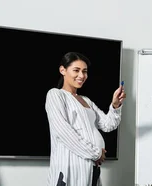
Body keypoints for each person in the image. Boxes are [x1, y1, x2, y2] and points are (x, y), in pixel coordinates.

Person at [45, 52, 126, 186]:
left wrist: (115, 105)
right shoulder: (56, 95)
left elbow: (108, 125)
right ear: (62, 70)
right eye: (76, 70)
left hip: (92, 168)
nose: (81, 76)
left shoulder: (86, 100)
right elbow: (63, 132)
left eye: (85, 71)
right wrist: (96, 153)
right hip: (71, 168)